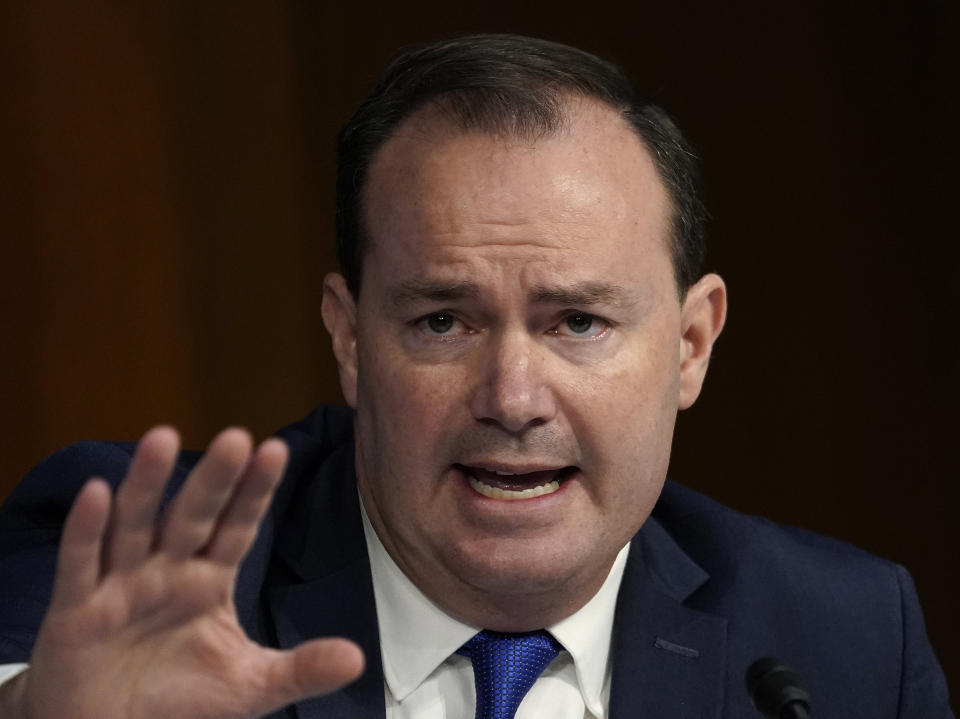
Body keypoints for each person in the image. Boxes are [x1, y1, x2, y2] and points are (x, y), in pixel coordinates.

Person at [0, 34, 952, 719]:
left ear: (691, 344)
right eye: (443, 320)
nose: (512, 397)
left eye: (577, 321)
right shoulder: (143, 566)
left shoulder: (846, 639)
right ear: (350, 338)